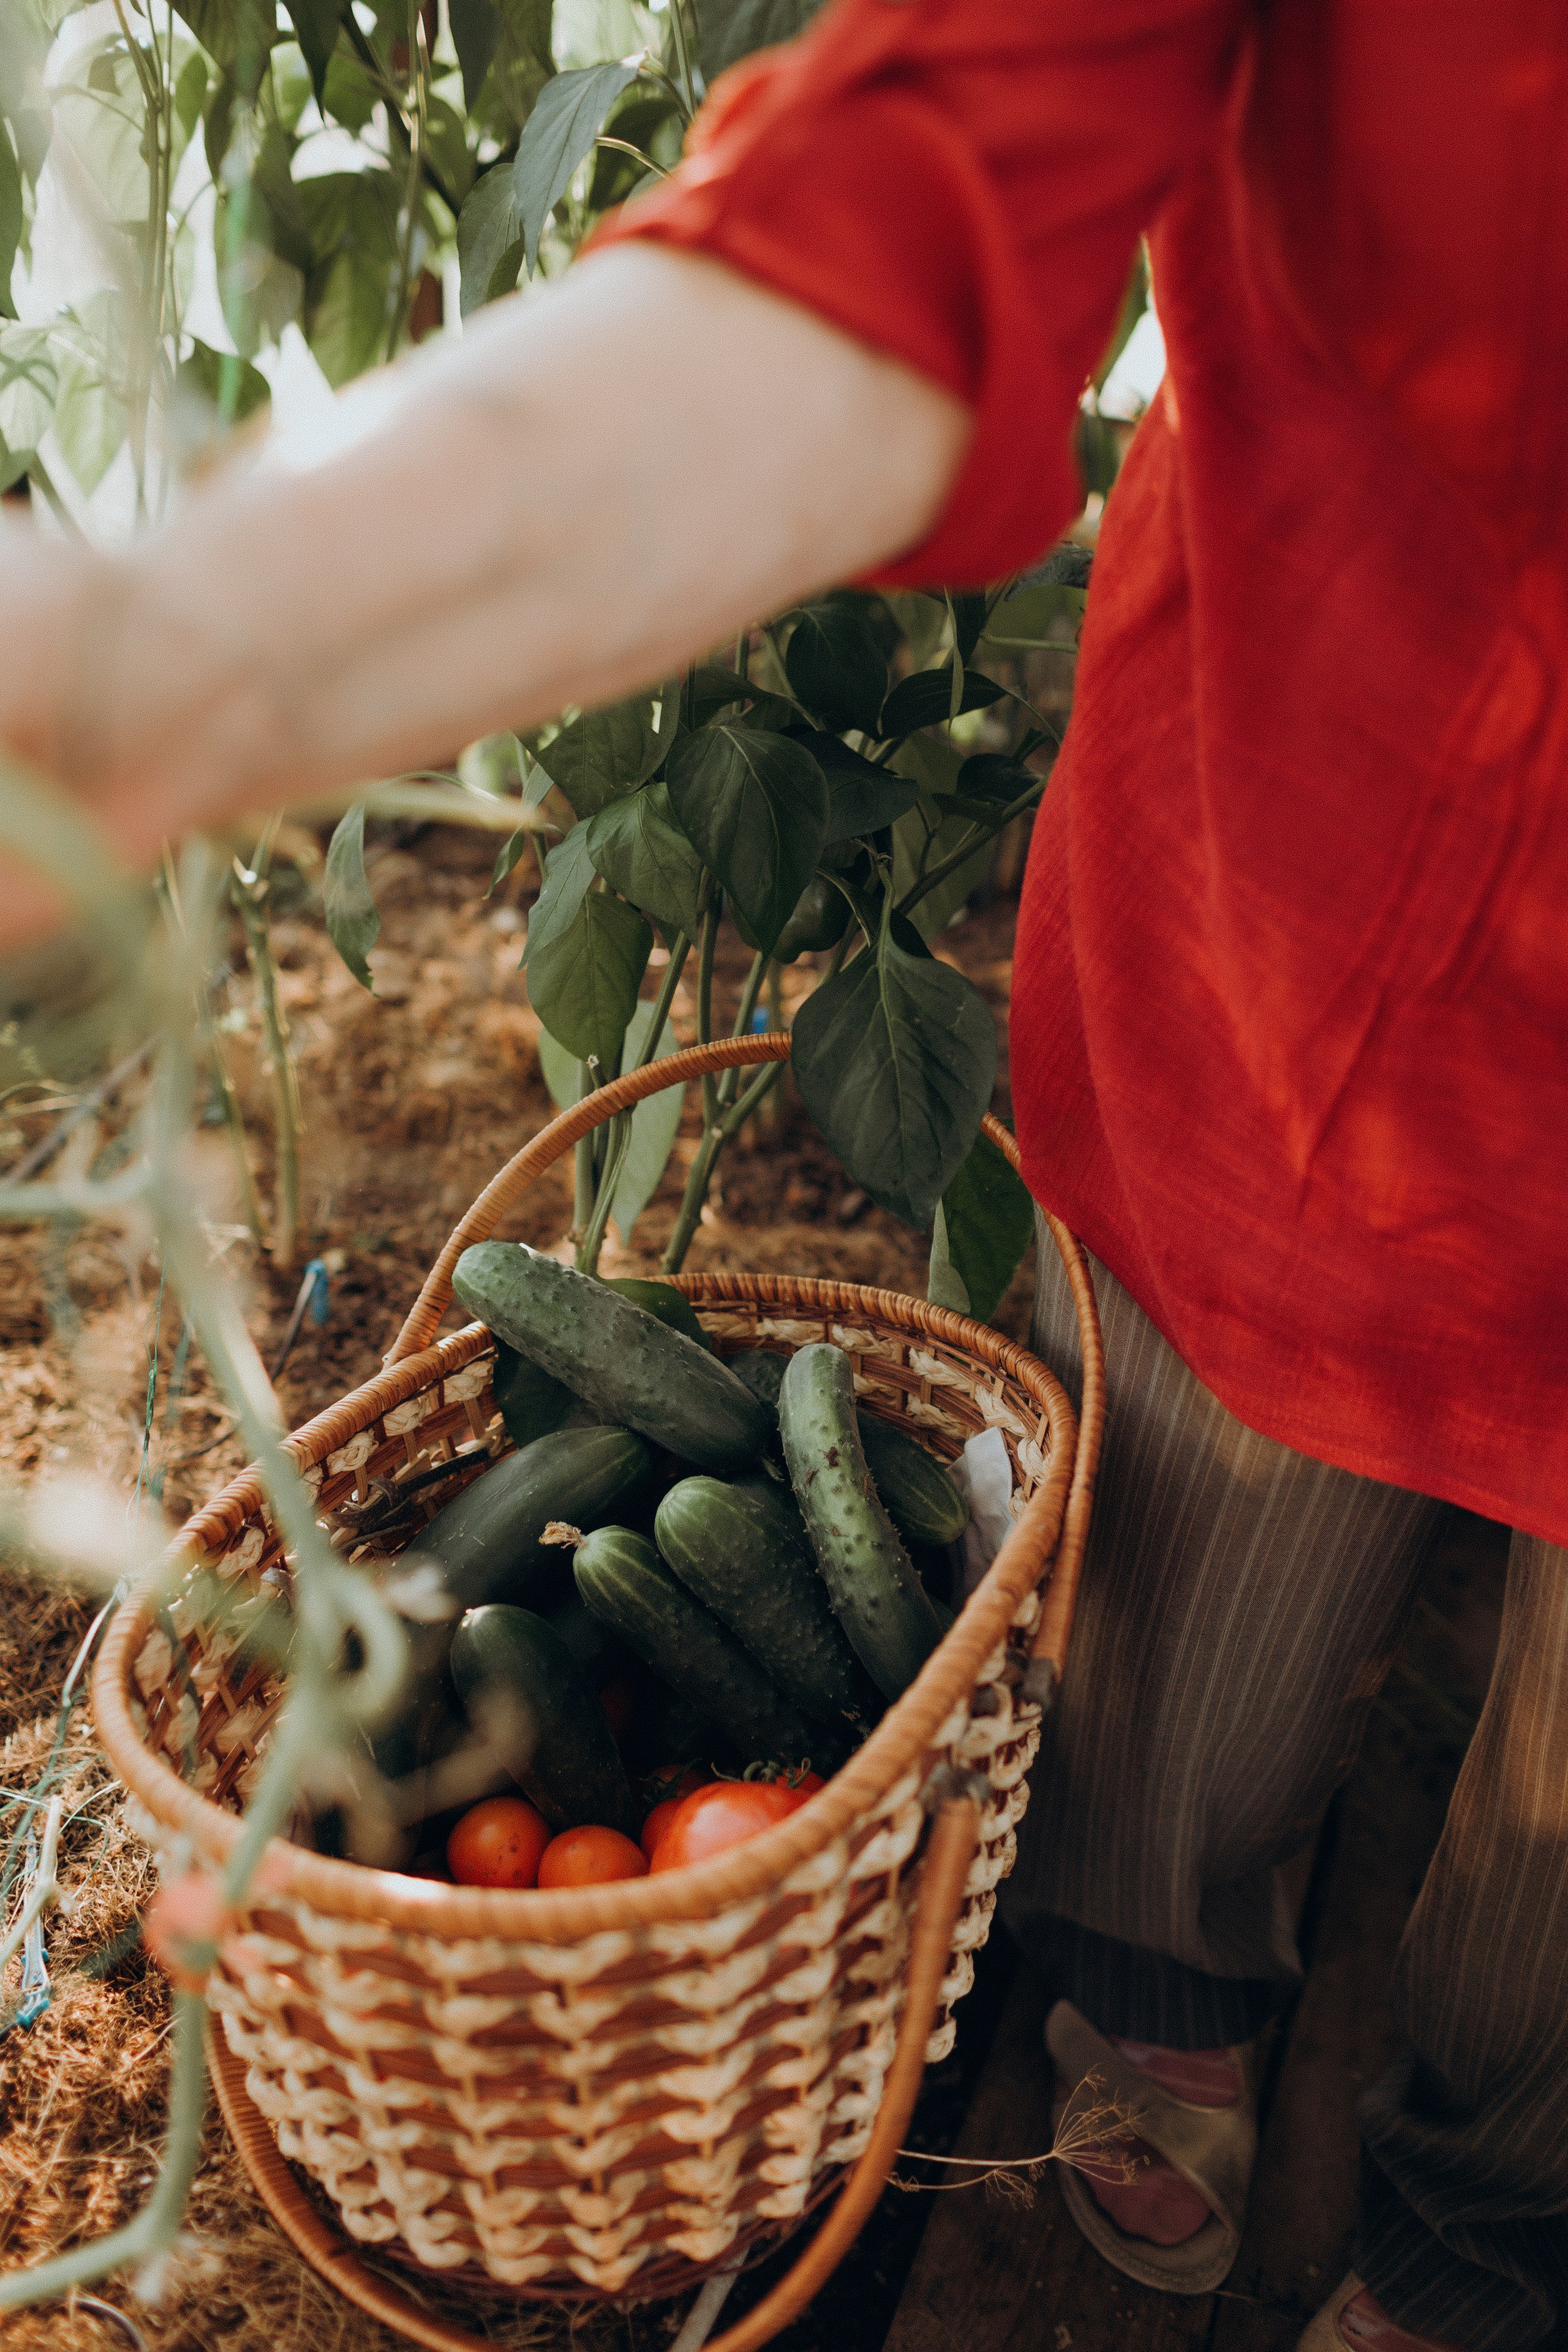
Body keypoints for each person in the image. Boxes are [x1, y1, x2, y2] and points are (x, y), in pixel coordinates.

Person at [2, 2, 1564, 2345]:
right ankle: (1162, 1994)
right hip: (1295, 929)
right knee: (1169, 1663)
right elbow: (904, 205)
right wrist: (181, 652)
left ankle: (1478, 2228)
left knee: (1553, 1917)